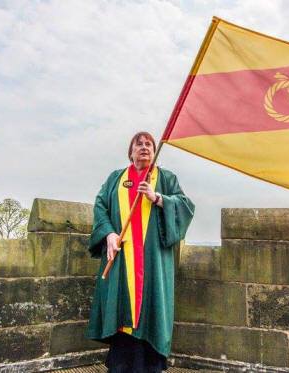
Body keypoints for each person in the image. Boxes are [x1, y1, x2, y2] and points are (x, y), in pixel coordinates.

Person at [85, 131, 195, 372]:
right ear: (130, 151)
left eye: (149, 144)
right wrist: (109, 234)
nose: (144, 147)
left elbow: (185, 206)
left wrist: (157, 198)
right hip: (122, 260)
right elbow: (100, 206)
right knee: (121, 312)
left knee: (151, 310)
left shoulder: (165, 178)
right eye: (139, 144)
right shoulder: (116, 178)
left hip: (152, 263)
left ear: (154, 152)